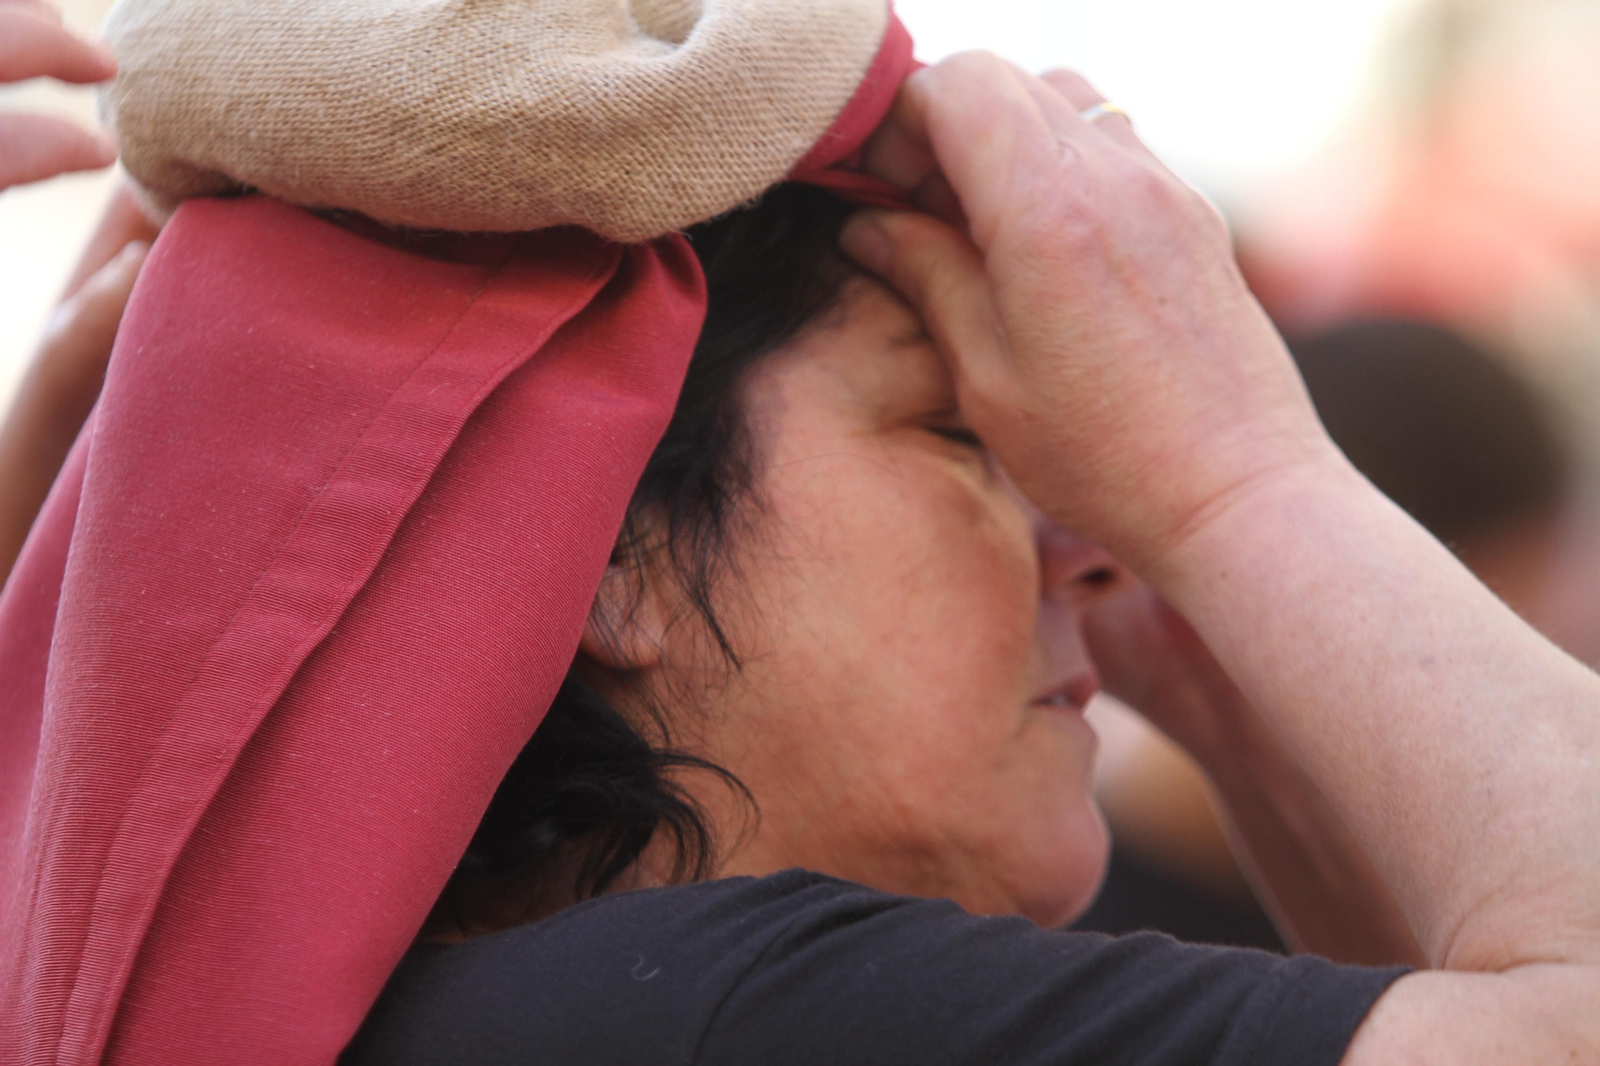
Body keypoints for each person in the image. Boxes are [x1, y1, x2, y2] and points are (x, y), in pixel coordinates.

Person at [4, 7, 1600, 1066]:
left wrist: (1226, 662)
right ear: (608, 541)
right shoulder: (716, 1002)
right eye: (964, 431)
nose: (1084, 531)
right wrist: (1233, 479)